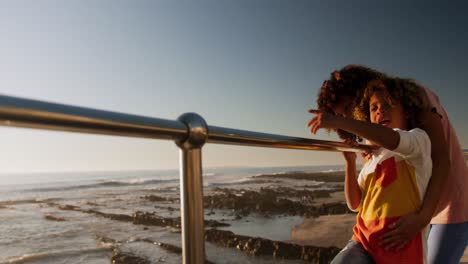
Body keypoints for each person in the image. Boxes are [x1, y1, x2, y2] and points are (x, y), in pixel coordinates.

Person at [311, 65, 468, 264]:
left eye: (347, 109)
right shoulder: (375, 127)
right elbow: (366, 193)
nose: (347, 117)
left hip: (449, 201)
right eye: (341, 116)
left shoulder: (412, 97)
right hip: (413, 206)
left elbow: (442, 162)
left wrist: (422, 218)